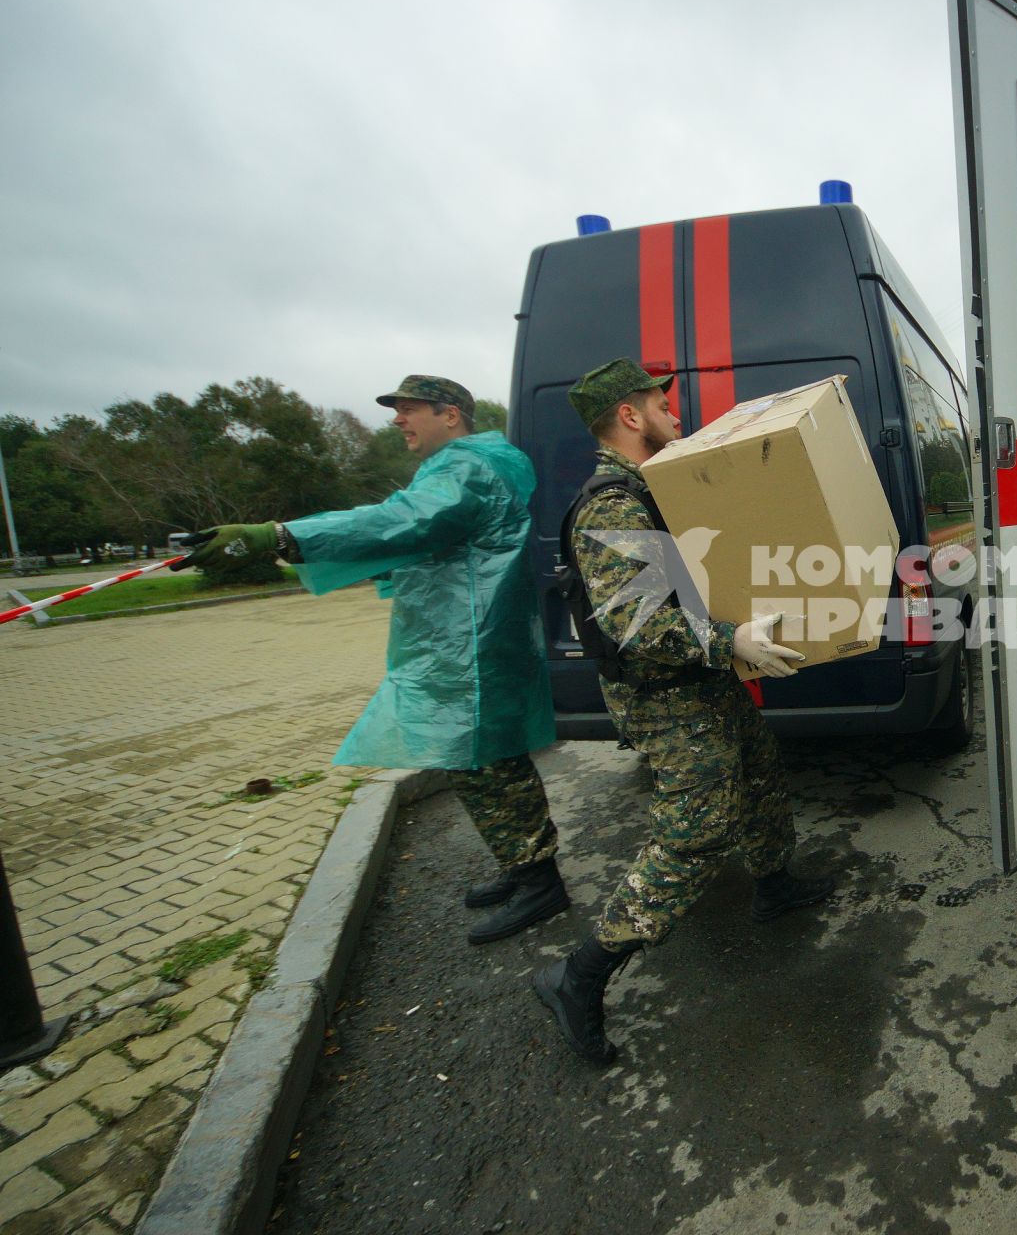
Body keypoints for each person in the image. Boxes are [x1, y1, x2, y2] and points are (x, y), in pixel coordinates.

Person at [185, 375, 568, 945]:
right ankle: (521, 864)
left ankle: (540, 880)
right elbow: (418, 541)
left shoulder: (468, 468)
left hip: (473, 638)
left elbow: (402, 521)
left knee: (490, 762)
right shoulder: (464, 465)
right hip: (462, 636)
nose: (397, 420)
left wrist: (284, 536)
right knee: (474, 759)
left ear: (452, 415)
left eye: (409, 409)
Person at [533, 357, 833, 1066]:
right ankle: (578, 976)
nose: (676, 410)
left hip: (698, 678)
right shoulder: (614, 504)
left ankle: (775, 882)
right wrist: (732, 640)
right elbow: (637, 620)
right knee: (696, 835)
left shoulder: (653, 488)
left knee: (758, 770)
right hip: (665, 695)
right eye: (659, 403)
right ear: (630, 417)